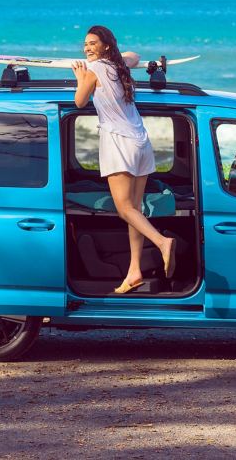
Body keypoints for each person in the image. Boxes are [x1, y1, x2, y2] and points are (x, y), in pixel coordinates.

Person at [71, 25, 176, 294]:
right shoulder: (121, 66)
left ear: (106, 45)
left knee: (124, 209)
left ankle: (162, 243)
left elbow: (80, 102)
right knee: (136, 211)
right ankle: (134, 271)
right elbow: (133, 54)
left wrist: (81, 77)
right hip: (141, 141)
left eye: (93, 43)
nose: (87, 48)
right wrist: (107, 55)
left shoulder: (93, 71)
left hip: (119, 142)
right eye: (85, 44)